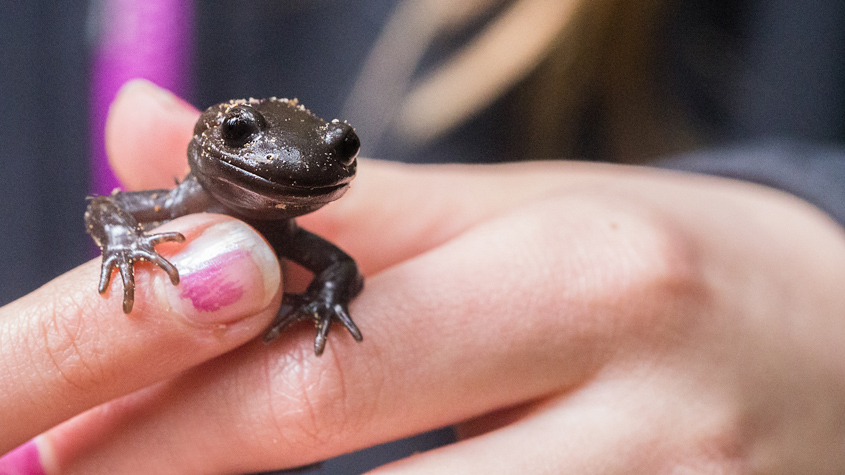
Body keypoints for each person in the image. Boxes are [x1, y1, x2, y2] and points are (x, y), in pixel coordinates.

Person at [2, 1, 845, 473]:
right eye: (241, 136)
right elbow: (107, 209)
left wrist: (814, 270)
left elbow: (339, 265)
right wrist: (123, 246)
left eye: (339, 152)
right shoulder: (179, 192)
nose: (292, 165)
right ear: (209, 143)